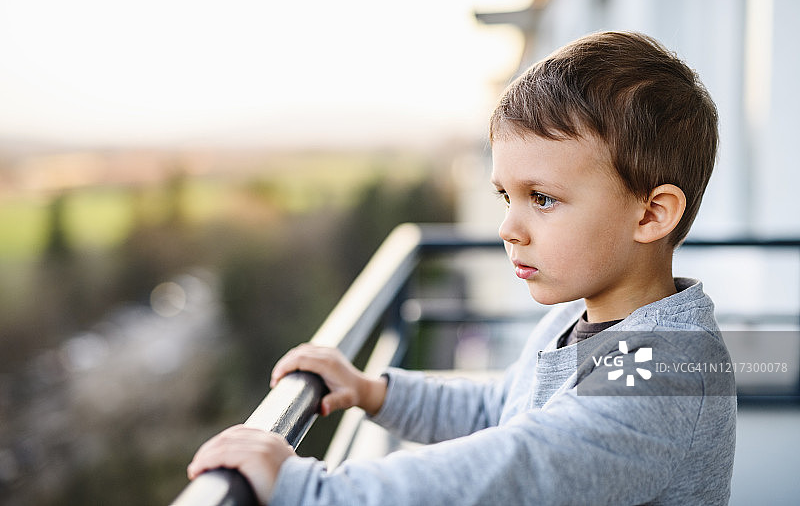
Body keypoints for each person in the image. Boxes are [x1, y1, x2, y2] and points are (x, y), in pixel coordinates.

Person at [187, 31, 736, 505]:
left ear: (651, 213)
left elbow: (518, 467)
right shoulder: (578, 320)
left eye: (542, 198)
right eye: (506, 196)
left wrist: (308, 491)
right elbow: (501, 408)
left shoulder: (668, 374)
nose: (509, 228)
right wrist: (374, 391)